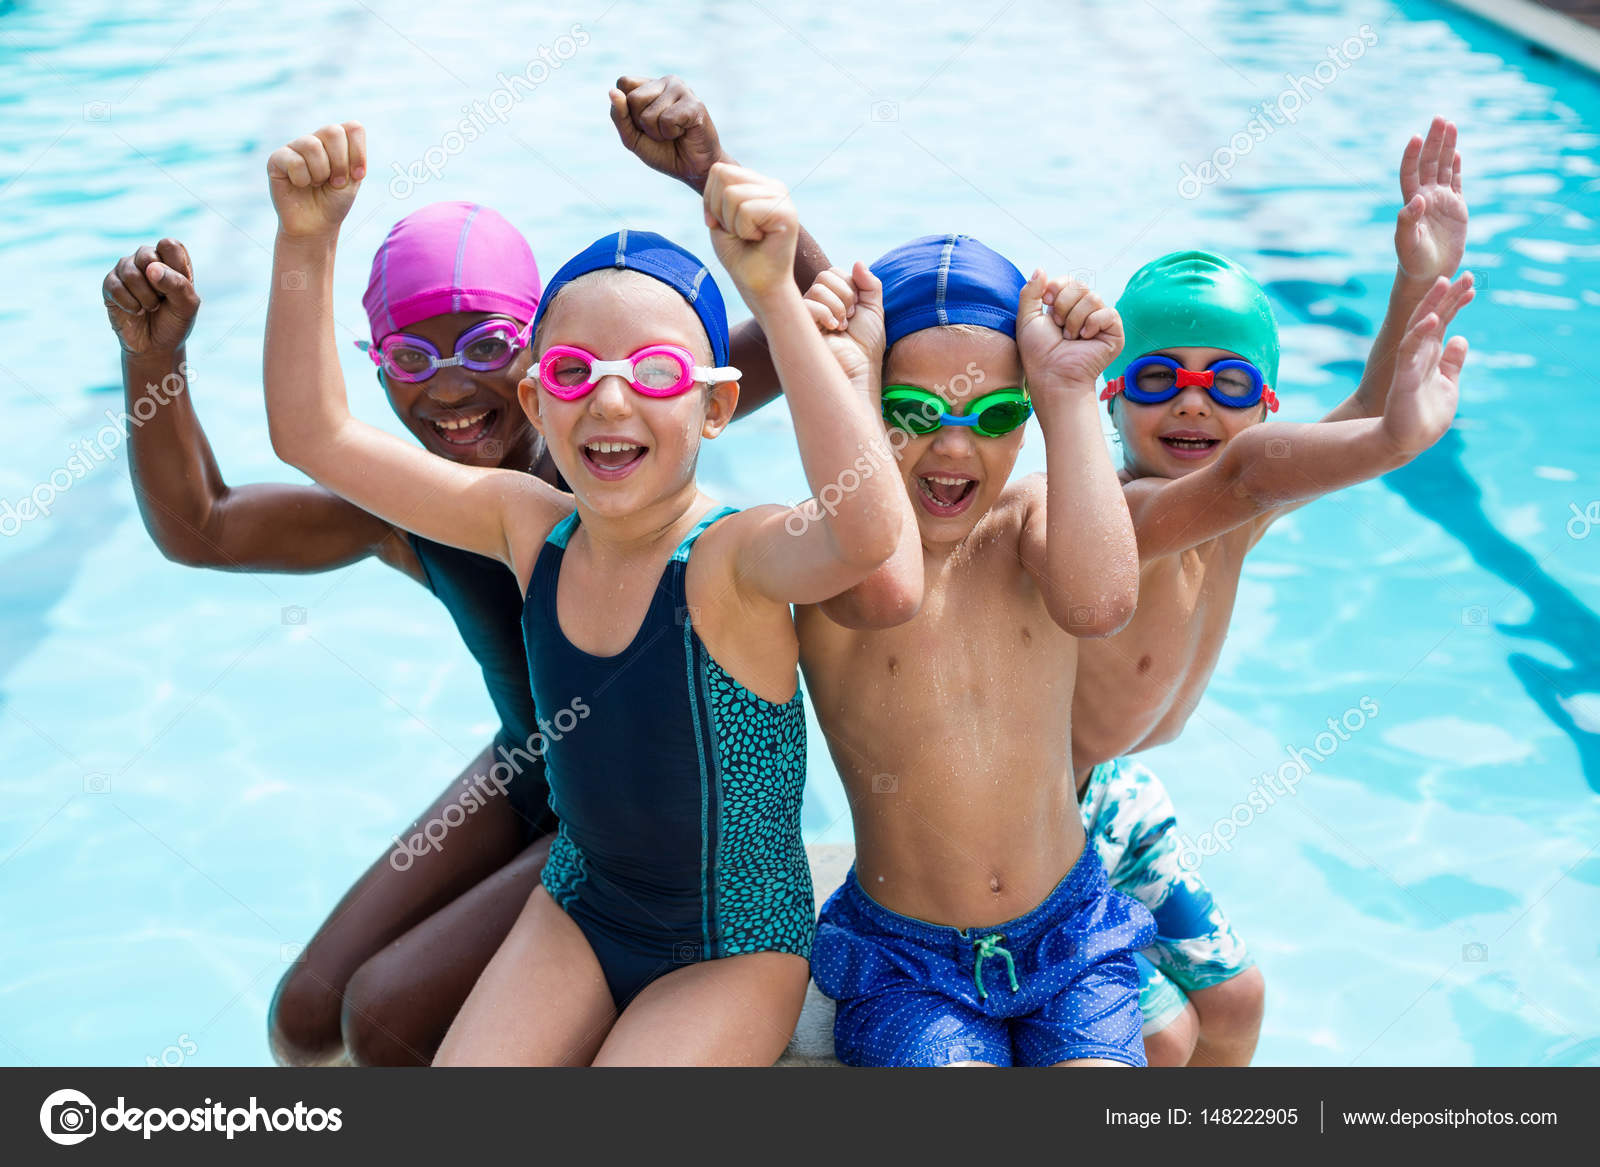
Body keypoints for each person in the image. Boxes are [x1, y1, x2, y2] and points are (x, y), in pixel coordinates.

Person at [99, 76, 832, 1066]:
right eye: (411, 358)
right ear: (379, 367)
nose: (449, 388)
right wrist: (155, 364)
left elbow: (821, 324)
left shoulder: (604, 450)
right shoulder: (420, 507)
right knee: (306, 1013)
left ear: (538, 362)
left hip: (645, 816)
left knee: (386, 1017)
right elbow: (203, 526)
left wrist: (708, 168)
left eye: (485, 345)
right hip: (528, 768)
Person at [260, 117, 914, 1064]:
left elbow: (866, 529)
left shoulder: (734, 557)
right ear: (535, 400)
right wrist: (306, 241)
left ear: (717, 405)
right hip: (578, 909)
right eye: (573, 372)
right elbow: (313, 435)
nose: (610, 401)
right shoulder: (530, 527)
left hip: (731, 949)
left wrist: (774, 296)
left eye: (653, 373)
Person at [1070, 117, 1473, 1066]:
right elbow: (1259, 470)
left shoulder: (1236, 510)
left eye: (1229, 380)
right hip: (1041, 822)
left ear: (1267, 403)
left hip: (1119, 791)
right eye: (1159, 377)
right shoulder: (1113, 520)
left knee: (1239, 999)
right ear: (1110, 395)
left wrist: (1415, 277)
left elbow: (1362, 417)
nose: (1192, 401)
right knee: (1161, 1040)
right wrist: (1390, 440)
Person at [796, 234, 1156, 1067]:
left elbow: (1100, 603)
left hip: (1071, 935)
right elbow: (889, 585)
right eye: (915, 414)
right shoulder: (827, 556)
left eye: (994, 415)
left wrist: (1067, 393)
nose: (955, 448)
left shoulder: (1029, 524)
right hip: (906, 960)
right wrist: (847, 380)